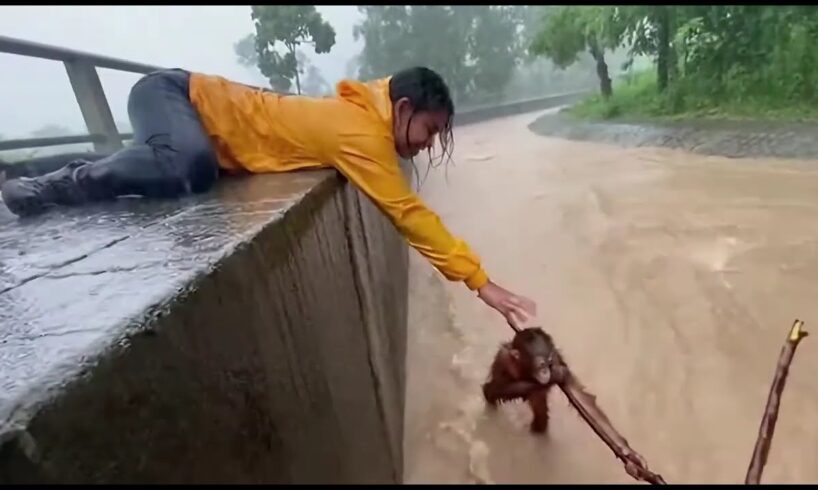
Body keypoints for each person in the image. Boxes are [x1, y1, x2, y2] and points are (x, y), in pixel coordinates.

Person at [0, 66, 537, 329]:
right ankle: (49, 186)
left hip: (182, 109)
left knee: (181, 160)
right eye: (426, 130)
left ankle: (23, 173)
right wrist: (480, 282)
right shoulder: (362, 133)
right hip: (170, 92)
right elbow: (406, 211)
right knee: (189, 166)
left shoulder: (361, 121)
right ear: (399, 109)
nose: (422, 147)